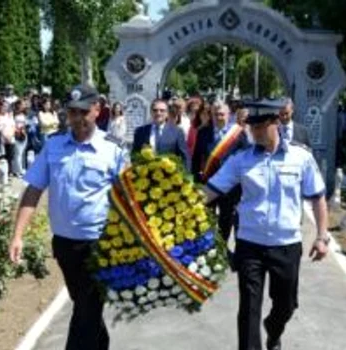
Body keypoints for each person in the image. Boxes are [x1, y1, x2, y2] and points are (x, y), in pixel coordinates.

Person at [203, 100, 329, 350]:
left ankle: (274, 329)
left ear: (276, 123)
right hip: (250, 244)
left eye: (260, 126)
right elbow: (210, 191)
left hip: (286, 244)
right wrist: (175, 203)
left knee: (286, 305)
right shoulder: (241, 160)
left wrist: (322, 236)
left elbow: (317, 197)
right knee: (249, 308)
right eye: (251, 126)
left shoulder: (301, 157)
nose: (254, 131)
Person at [9, 85, 126, 350]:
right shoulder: (54, 146)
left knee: (85, 311)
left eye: (83, 111)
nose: (77, 117)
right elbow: (34, 190)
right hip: (64, 245)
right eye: (72, 112)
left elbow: (128, 197)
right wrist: (17, 235)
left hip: (100, 245)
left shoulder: (113, 149)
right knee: (85, 307)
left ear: (97, 110)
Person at [192, 101, 248, 243]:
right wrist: (195, 182)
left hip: (230, 186)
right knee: (206, 217)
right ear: (211, 114)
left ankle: (222, 247)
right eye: (216, 114)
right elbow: (196, 157)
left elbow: (246, 158)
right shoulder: (203, 132)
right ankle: (208, 247)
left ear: (229, 115)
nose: (219, 117)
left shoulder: (238, 134)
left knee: (226, 219)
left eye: (222, 114)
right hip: (208, 183)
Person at [132, 99, 190, 169]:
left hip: (170, 176)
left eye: (162, 110)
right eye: (155, 110)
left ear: (167, 113)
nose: (158, 113)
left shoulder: (177, 132)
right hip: (146, 177)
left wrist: (185, 176)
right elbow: (134, 155)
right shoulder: (140, 132)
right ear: (151, 112)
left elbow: (185, 157)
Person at [12, 100, 28, 177]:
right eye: (23, 104)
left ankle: (19, 169)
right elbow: (12, 124)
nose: (24, 105)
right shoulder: (13, 114)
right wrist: (18, 130)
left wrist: (24, 129)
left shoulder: (24, 113)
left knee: (22, 153)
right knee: (17, 153)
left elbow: (25, 123)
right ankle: (18, 170)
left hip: (24, 134)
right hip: (17, 134)